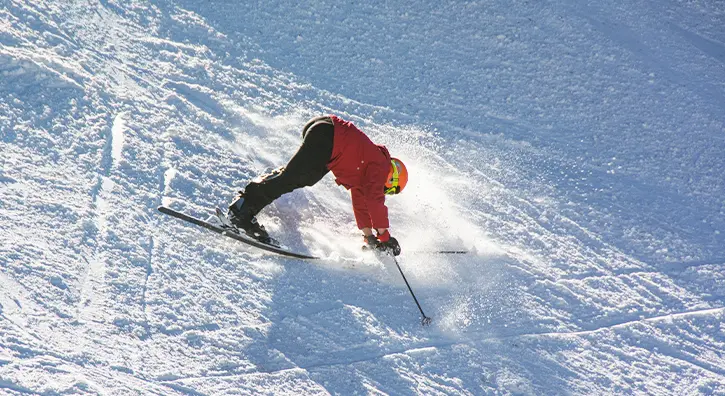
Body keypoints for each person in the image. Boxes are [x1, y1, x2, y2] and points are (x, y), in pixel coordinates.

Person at [227, 115, 407, 256]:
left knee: (302, 177)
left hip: (326, 134)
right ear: (393, 178)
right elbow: (374, 201)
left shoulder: (367, 171)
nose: (385, 192)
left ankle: (247, 204)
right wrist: (385, 237)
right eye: (390, 190)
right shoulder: (380, 166)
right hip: (328, 136)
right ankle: (241, 211)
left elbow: (362, 204)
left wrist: (370, 237)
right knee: (292, 177)